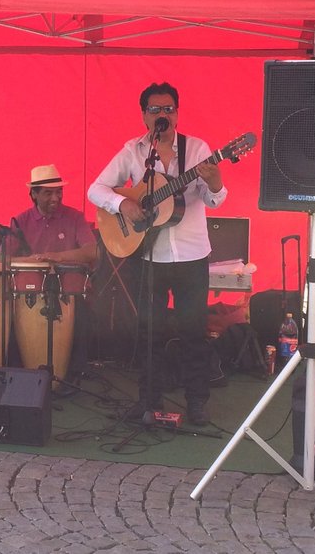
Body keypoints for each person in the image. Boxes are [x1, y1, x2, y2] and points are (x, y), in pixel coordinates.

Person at [88, 82, 226, 426]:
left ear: (177, 113)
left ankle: (196, 403)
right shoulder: (133, 152)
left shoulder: (197, 150)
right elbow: (95, 189)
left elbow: (214, 200)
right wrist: (125, 205)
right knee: (150, 332)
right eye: (155, 110)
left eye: (168, 109)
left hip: (192, 255)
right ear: (144, 115)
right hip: (148, 257)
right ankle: (147, 401)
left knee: (193, 331)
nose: (162, 115)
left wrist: (215, 182)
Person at [5, 164, 99, 383]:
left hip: (70, 294)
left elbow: (93, 252)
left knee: (84, 313)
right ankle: (24, 372)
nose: (55, 198)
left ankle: (72, 374)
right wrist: (31, 261)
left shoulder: (74, 217)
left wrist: (57, 257)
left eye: (59, 192)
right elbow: (2, 260)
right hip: (28, 294)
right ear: (34, 194)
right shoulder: (21, 221)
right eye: (48, 193)